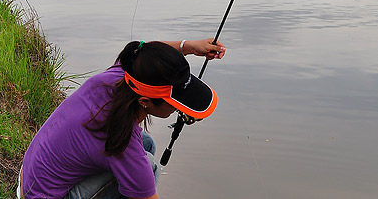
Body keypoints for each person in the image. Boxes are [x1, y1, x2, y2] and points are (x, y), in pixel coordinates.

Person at [19, 38, 227, 199]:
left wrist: (189, 46)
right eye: (174, 103)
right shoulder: (122, 141)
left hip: (31, 179)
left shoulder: (124, 74)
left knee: (147, 143)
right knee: (150, 166)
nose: (178, 108)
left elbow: (147, 54)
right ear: (145, 101)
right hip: (44, 195)